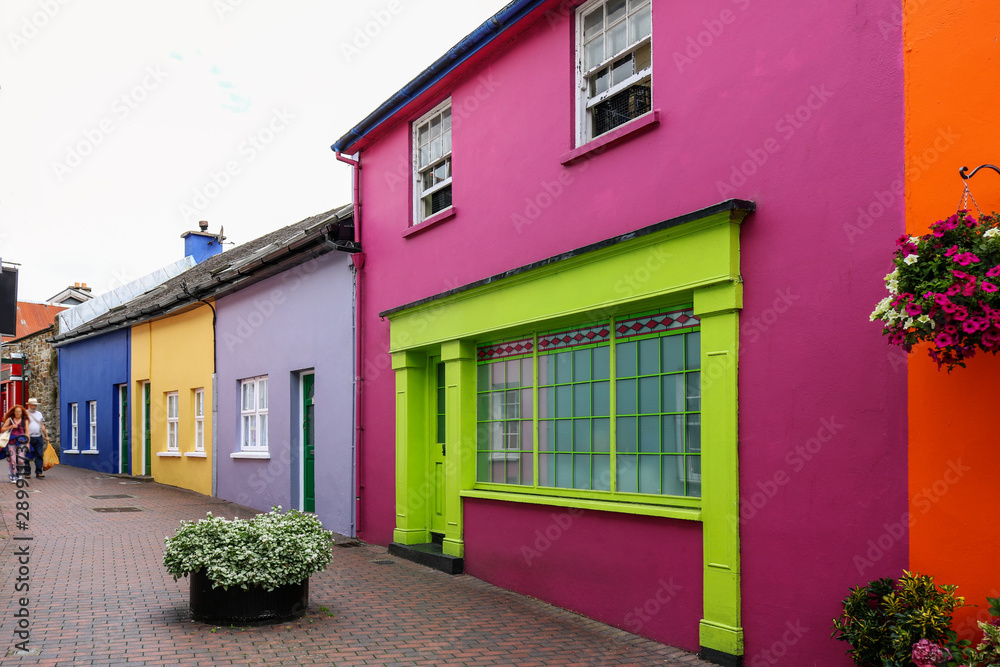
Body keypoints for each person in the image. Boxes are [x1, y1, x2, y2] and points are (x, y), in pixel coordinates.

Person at [1, 405, 30, 483]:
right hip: (11, 442)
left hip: (22, 442)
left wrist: (28, 443)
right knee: (13, 460)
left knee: (20, 460)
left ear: (22, 412)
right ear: (14, 412)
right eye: (16, 411)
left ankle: (19, 475)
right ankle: (14, 476)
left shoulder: (25, 420)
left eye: (19, 411)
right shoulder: (9, 420)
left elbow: (27, 432)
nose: (18, 413)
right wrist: (11, 426)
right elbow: (2, 429)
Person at [25, 398, 50, 478]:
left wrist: (46, 435)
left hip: (38, 436)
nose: (35, 406)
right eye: (33, 405)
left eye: (35, 405)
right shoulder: (25, 413)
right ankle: (27, 472)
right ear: (29, 405)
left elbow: (42, 425)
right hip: (28, 437)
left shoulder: (39, 414)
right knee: (27, 455)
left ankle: (39, 472)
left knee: (39, 454)